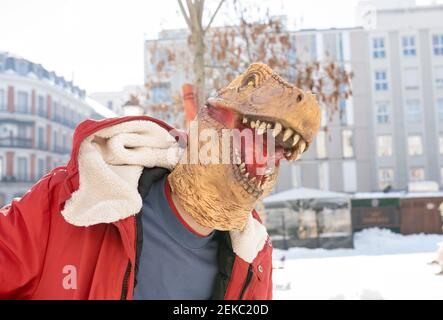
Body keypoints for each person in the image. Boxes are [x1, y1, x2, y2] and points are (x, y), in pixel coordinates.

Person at [0, 63, 321, 299]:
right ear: (205, 118)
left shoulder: (253, 260)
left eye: (275, 150)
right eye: (252, 82)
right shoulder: (66, 202)